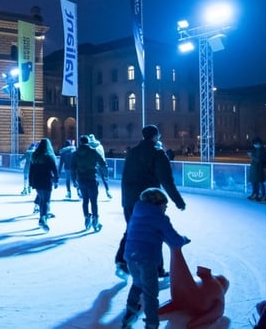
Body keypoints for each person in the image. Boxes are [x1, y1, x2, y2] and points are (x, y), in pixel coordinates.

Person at [115, 125, 186, 281]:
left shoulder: (132, 152)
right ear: (155, 136)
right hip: (149, 200)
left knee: (132, 229)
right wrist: (178, 201)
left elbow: (124, 176)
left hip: (129, 199)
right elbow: (167, 181)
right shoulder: (157, 154)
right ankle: (156, 269)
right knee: (155, 232)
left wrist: (125, 200)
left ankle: (121, 261)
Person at [118, 188, 190, 329]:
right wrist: (184, 240)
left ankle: (130, 314)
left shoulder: (137, 213)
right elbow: (174, 239)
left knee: (137, 284)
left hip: (131, 256)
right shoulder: (159, 217)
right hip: (146, 259)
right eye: (164, 204)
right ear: (157, 204)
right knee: (150, 294)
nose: (166, 207)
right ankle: (151, 324)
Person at [74, 135, 107, 232]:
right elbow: (103, 163)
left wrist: (74, 180)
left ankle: (86, 217)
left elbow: (72, 167)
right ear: (88, 141)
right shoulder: (93, 151)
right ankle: (95, 220)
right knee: (94, 201)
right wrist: (105, 173)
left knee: (85, 200)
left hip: (81, 179)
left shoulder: (76, 153)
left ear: (80, 142)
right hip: (92, 178)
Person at [29, 138, 59, 232]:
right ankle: (43, 219)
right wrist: (56, 180)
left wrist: (30, 182)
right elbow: (54, 169)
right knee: (46, 200)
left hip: (36, 180)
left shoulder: (34, 155)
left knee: (42, 199)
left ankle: (42, 217)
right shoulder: (49, 156)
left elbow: (31, 170)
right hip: (46, 180)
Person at [247, 137, 266, 202]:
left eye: (255, 143)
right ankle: (256, 194)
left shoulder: (261, 150)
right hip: (256, 169)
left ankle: (262, 195)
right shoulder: (257, 150)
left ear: (258, 143)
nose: (254, 145)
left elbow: (258, 160)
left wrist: (251, 155)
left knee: (260, 182)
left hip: (259, 169)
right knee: (255, 181)